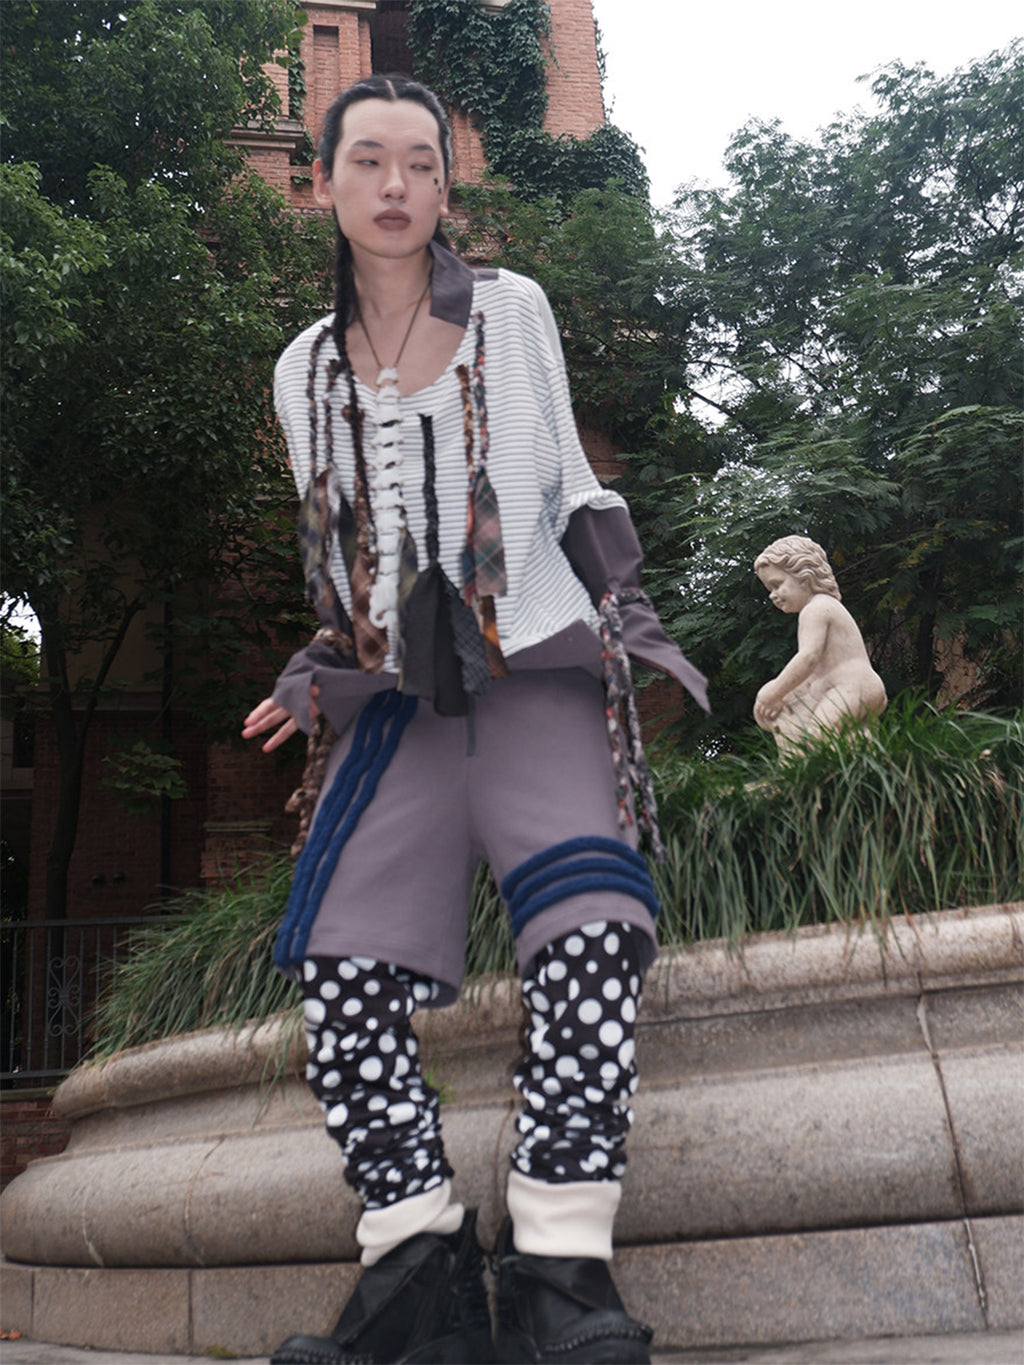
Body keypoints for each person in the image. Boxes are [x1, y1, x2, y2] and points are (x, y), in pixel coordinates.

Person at [242, 73, 708, 1365]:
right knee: (341, 979)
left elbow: (568, 483)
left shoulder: (513, 309)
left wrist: (632, 622)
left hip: (535, 672)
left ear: (447, 188)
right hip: (394, 707)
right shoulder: (300, 370)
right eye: (367, 161)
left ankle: (561, 1264)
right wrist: (312, 669)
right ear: (325, 184)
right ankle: (417, 1266)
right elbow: (344, 566)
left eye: (420, 163)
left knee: (592, 933)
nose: (394, 185)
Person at [753, 535, 886, 750]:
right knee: (846, 739)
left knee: (818, 738)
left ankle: (848, 765)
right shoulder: (821, 607)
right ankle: (866, 756)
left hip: (854, 686)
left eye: (777, 585)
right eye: (770, 590)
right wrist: (783, 695)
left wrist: (772, 693)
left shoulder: (816, 609)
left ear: (804, 578)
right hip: (850, 687)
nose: (773, 596)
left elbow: (808, 658)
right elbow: (815, 673)